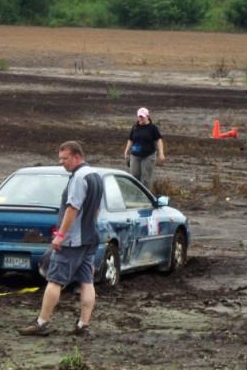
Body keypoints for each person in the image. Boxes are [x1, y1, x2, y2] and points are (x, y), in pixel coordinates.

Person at [19, 141, 103, 337]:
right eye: (60, 159)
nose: (62, 163)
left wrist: (60, 236)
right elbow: (96, 209)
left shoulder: (78, 178)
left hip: (73, 241)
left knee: (54, 280)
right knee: (86, 281)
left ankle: (41, 323)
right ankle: (83, 325)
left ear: (76, 157)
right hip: (90, 238)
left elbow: (72, 209)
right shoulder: (96, 176)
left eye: (65, 159)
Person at [123, 107, 165, 187]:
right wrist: (126, 151)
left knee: (146, 178)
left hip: (148, 156)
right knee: (134, 177)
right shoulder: (135, 127)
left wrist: (161, 153)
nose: (141, 118)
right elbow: (130, 139)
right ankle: (135, 195)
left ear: (147, 116)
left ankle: (145, 197)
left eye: (142, 117)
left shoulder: (153, 128)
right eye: (139, 116)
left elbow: (159, 140)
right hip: (135, 155)